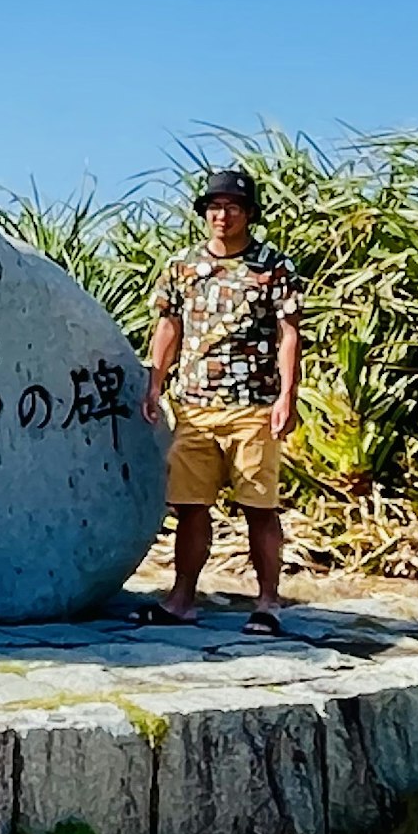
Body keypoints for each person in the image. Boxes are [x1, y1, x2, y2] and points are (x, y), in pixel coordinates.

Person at [141, 165, 303, 632]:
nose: (222, 215)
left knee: (259, 506)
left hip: (253, 405)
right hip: (194, 406)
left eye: (232, 207)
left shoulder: (274, 266)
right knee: (190, 507)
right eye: (214, 207)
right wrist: (155, 380)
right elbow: (168, 326)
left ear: (249, 213)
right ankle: (181, 598)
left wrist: (286, 396)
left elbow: (289, 334)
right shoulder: (181, 267)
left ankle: (268, 602)